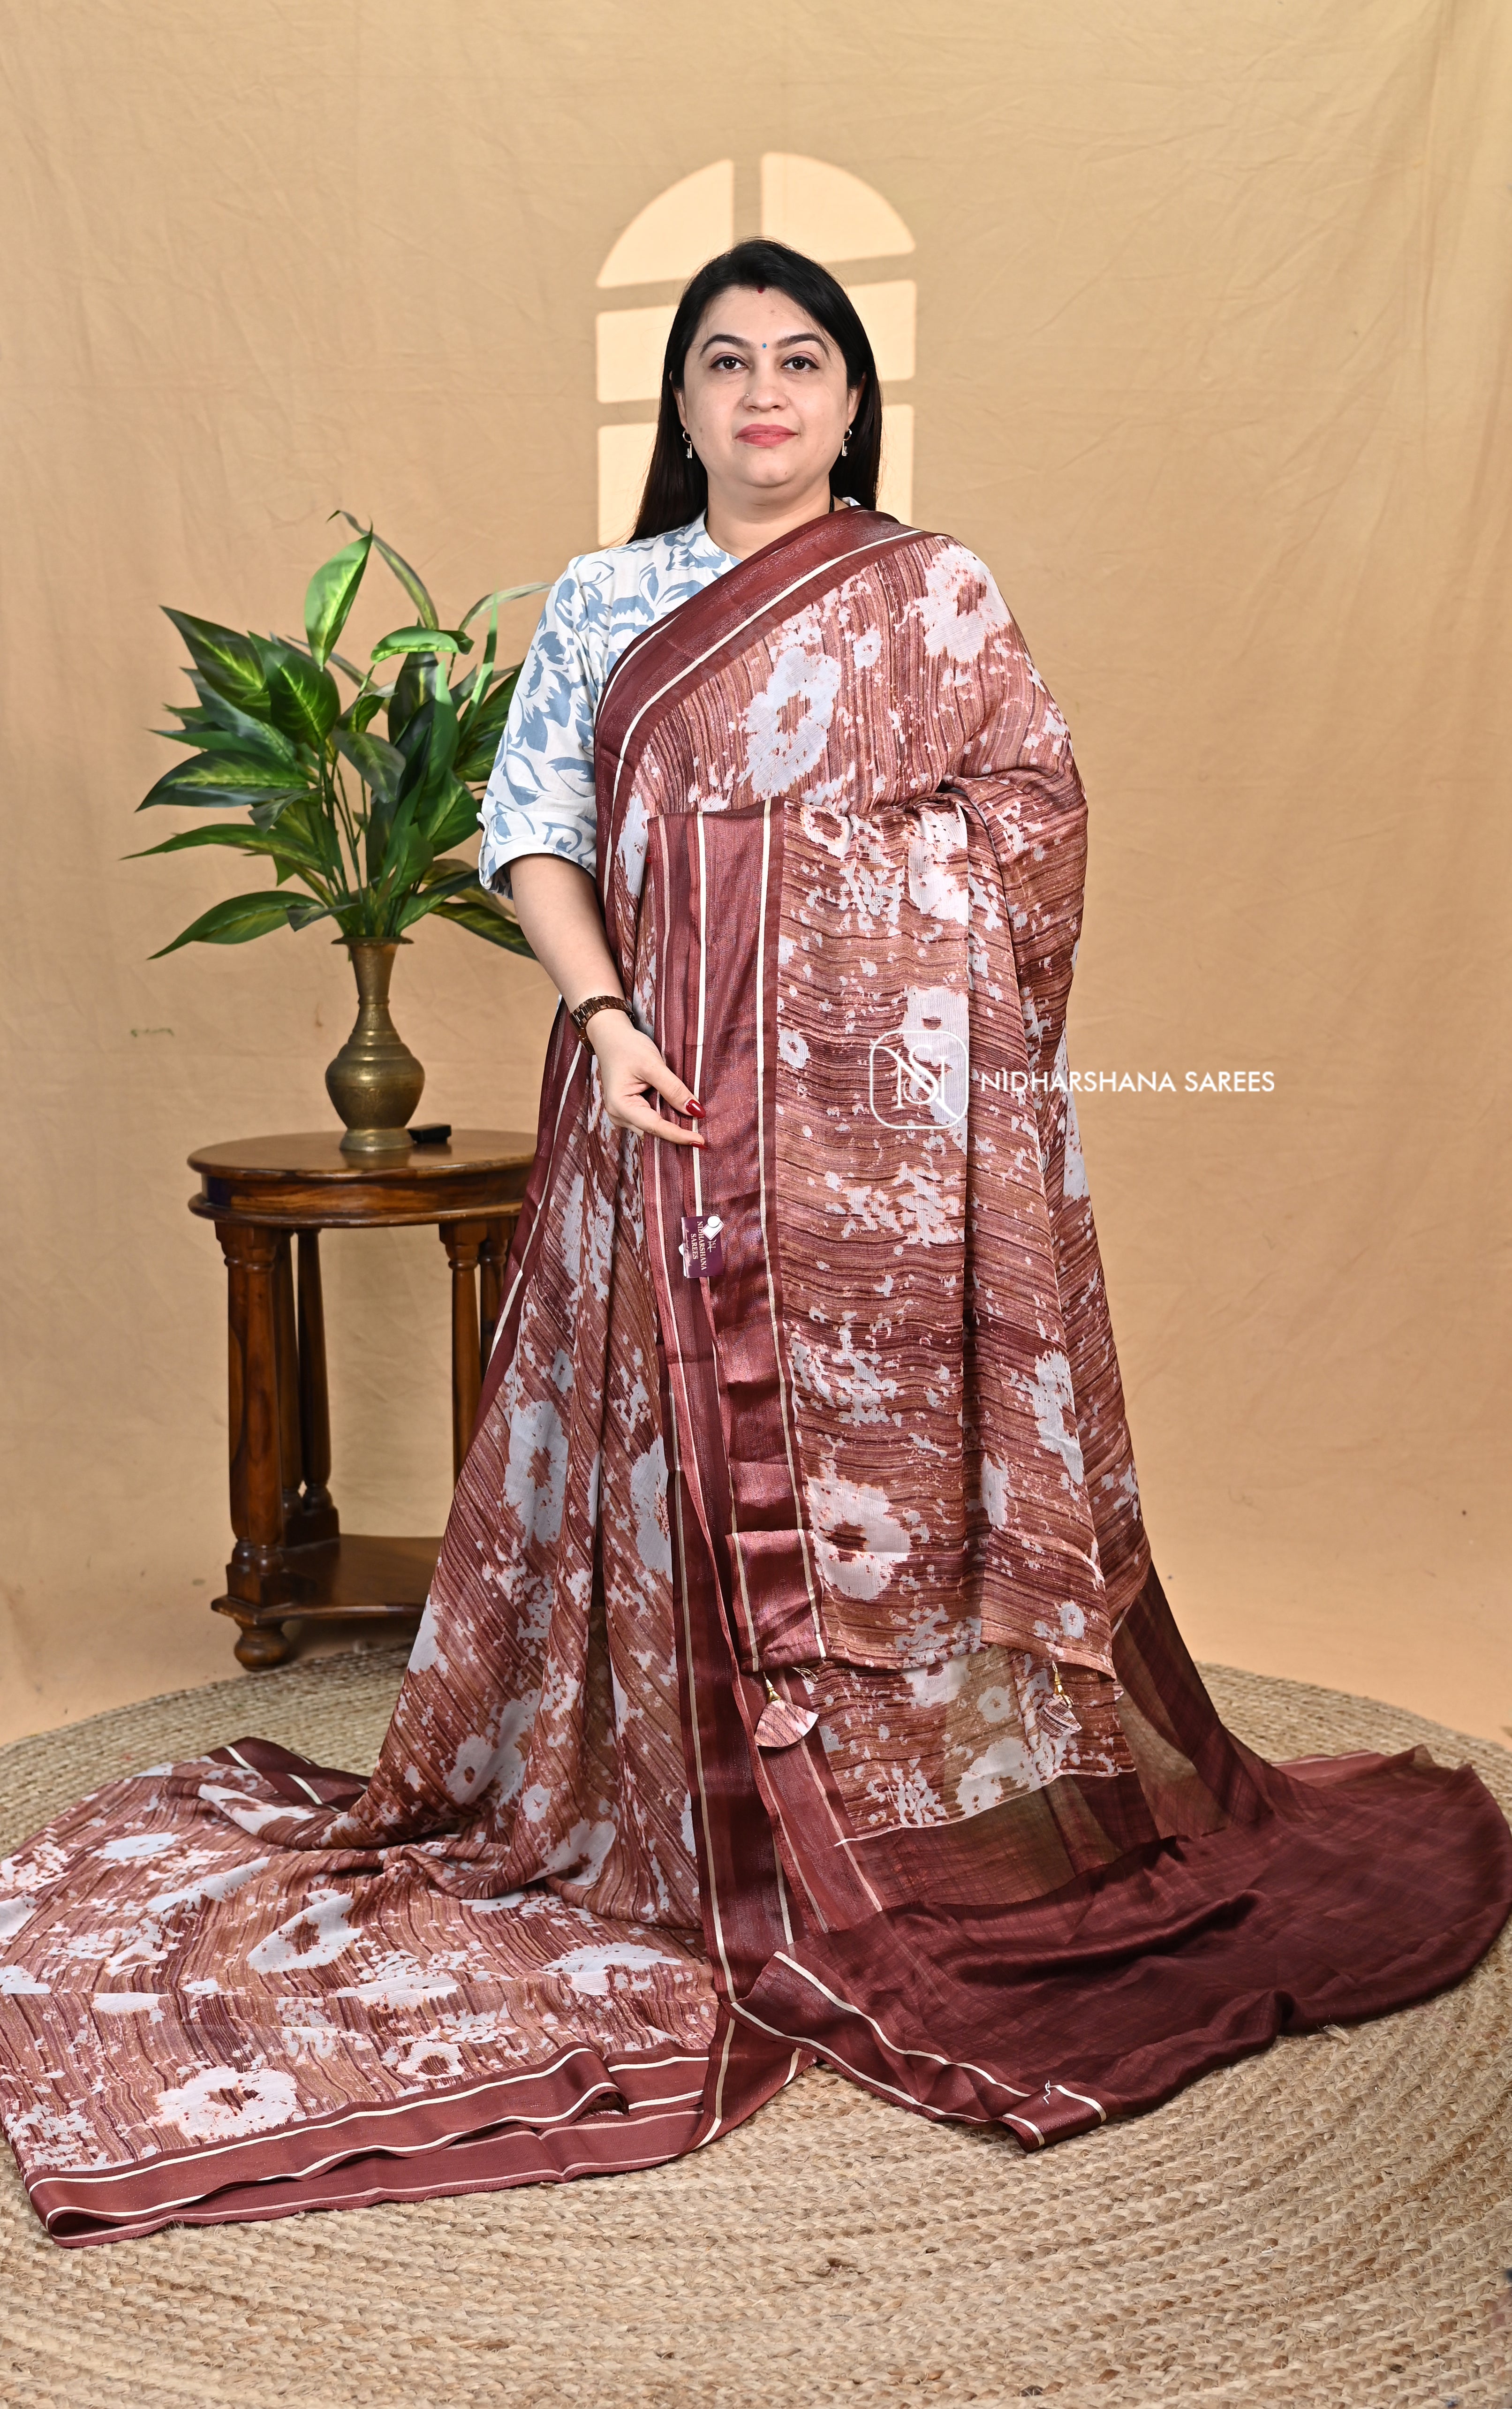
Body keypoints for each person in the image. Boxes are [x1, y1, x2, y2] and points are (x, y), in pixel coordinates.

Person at [2, 242, 1508, 2247]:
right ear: (684, 403)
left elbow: (1032, 820)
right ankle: (692, 1799)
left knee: (887, 1463)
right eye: (726, 362)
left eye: (803, 360)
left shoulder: (933, 591)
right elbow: (532, 829)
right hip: (662, 1103)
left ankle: (907, 1812)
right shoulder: (607, 601)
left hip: (891, 1138)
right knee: (667, 1445)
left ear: (853, 398)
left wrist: (838, 935)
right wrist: (615, 1013)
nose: (765, 392)